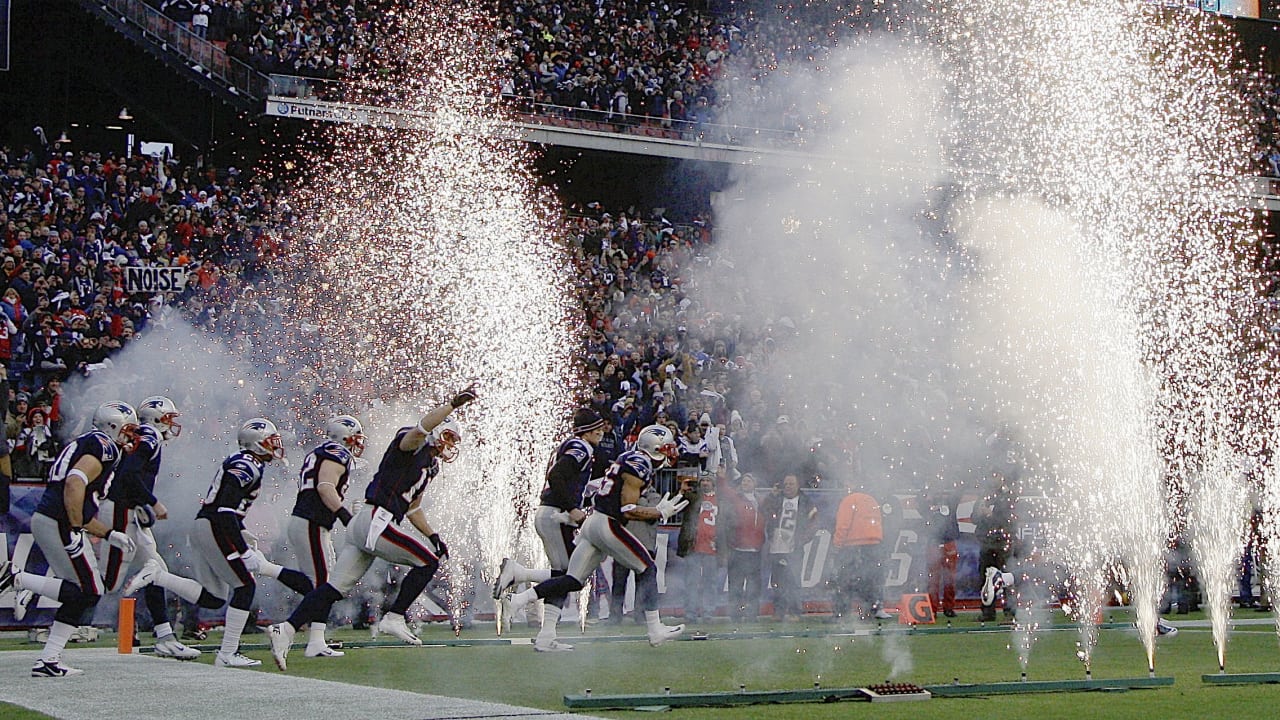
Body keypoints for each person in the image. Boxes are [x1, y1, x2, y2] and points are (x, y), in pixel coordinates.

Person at [267, 384, 478, 671]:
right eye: (448, 435)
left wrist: (433, 535)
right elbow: (420, 428)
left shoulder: (431, 465)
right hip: (375, 519)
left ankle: (286, 629)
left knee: (333, 588)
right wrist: (451, 405)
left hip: (368, 523)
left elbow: (413, 506)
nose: (450, 443)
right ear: (437, 430)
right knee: (428, 562)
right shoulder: (410, 443)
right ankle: (395, 616)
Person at [124, 417, 313, 668]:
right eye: (270, 440)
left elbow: (229, 510)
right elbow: (225, 510)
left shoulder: (248, 462)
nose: (275, 445)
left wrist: (242, 531)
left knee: (214, 598)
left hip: (209, 525)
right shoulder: (247, 465)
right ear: (256, 443)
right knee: (245, 586)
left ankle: (158, 576)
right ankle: (227, 652)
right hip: (214, 526)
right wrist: (242, 549)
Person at [501, 425, 688, 651]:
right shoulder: (640, 464)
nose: (670, 454)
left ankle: (519, 601)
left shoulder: (630, 457)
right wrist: (659, 512)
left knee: (572, 580)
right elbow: (628, 508)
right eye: (667, 449)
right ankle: (655, 628)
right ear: (656, 448)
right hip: (606, 523)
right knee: (647, 568)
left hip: (594, 522)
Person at [0, 402, 140, 677]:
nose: (129, 436)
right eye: (128, 429)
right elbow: (75, 483)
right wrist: (75, 529)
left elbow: (81, 502)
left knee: (81, 592)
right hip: (60, 521)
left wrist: (110, 534)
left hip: (52, 518)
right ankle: (17, 580)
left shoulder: (89, 442)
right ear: (112, 426)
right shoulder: (106, 447)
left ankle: (49, 659)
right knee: (90, 591)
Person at [97, 396, 200, 659]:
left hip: (129, 510)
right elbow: (129, 475)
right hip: (122, 511)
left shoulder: (143, 435)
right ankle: (31, 584)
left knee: (156, 570)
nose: (171, 424)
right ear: (156, 418)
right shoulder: (150, 437)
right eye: (168, 418)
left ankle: (165, 637)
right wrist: (152, 502)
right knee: (105, 584)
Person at [491, 408, 605, 615]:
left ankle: (547, 634)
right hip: (557, 515)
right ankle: (519, 583)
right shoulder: (581, 448)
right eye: (597, 429)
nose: (601, 433)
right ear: (587, 431)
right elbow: (556, 476)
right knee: (574, 576)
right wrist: (572, 508)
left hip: (550, 513)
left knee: (563, 577)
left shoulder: (572, 446)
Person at [286, 414, 365, 658]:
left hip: (311, 523)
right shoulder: (337, 452)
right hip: (311, 522)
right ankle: (311, 640)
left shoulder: (322, 451)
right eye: (355, 438)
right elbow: (325, 487)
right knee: (323, 583)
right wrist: (344, 516)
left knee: (322, 582)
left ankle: (316, 640)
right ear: (345, 437)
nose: (359, 444)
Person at [830, 479, 891, 621]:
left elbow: (843, 525)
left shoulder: (849, 500)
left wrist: (837, 545)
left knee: (844, 579)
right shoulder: (872, 500)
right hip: (875, 543)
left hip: (853, 545)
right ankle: (873, 608)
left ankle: (841, 612)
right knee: (871, 579)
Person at [762, 473, 817, 622]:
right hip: (776, 547)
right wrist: (771, 496)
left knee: (793, 581)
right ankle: (779, 612)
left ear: (798, 485)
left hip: (794, 548)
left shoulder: (805, 501)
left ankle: (795, 612)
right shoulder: (777, 499)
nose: (788, 487)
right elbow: (763, 511)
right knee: (777, 582)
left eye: (791, 484)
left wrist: (802, 540)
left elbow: (814, 523)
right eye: (786, 484)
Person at [719, 472, 766, 622]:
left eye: (749, 480)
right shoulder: (736, 498)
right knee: (736, 586)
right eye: (744, 480)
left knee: (754, 587)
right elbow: (724, 489)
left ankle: (752, 615)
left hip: (755, 551)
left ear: (755, 484)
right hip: (738, 550)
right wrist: (721, 477)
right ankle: (735, 615)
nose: (745, 483)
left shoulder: (761, 500)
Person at [677, 473, 720, 623]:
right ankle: (690, 613)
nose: (706, 483)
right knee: (691, 582)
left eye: (709, 481)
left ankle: (708, 612)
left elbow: (727, 521)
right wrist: (682, 492)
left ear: (714, 484)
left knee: (710, 582)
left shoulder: (720, 500)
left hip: (712, 547)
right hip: (693, 546)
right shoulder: (692, 497)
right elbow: (676, 506)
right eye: (703, 481)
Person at [925, 491, 960, 618]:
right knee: (933, 578)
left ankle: (949, 607)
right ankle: (931, 608)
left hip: (948, 542)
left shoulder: (951, 499)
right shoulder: (926, 498)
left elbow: (958, 493)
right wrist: (928, 497)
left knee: (950, 578)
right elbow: (921, 506)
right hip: (933, 542)